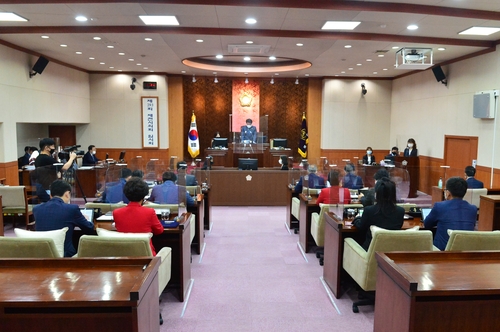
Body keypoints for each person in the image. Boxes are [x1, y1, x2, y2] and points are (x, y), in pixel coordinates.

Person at [33, 180, 95, 257]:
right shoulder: (72, 209)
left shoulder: (37, 209)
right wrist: (86, 219)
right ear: (67, 194)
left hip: (42, 254)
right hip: (65, 255)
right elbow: (89, 228)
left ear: (50, 195)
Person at [113, 177, 164, 256]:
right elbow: (159, 231)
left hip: (124, 255)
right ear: (144, 195)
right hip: (147, 257)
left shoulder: (116, 213)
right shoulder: (149, 212)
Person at [424, 177, 477, 250]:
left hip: (442, 253)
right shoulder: (473, 209)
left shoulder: (439, 206)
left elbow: (427, 224)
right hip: (465, 252)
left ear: (448, 193)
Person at [352, 178, 405, 250]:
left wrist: (357, 218)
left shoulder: (369, 210)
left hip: (370, 251)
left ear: (376, 194)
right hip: (391, 251)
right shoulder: (400, 211)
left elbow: (361, 228)